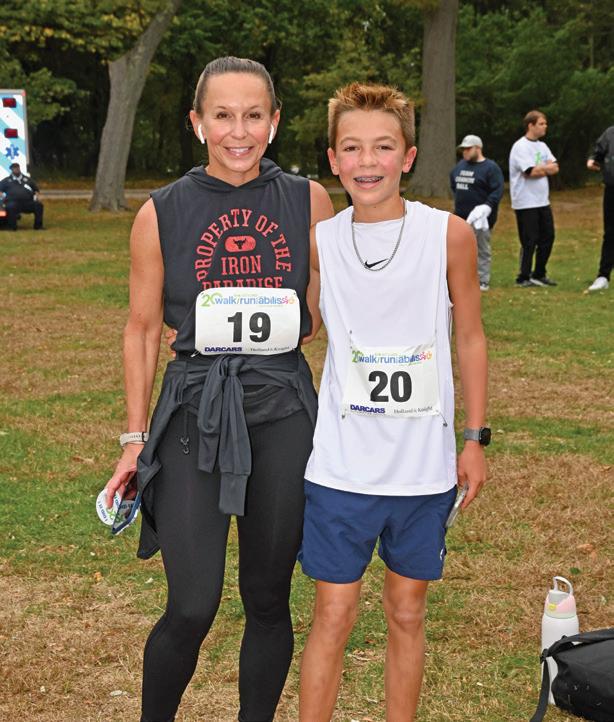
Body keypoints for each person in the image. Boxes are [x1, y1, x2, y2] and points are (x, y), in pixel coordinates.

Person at [104, 56, 333, 722]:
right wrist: (133, 439)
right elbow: (142, 328)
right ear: (197, 122)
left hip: (283, 408)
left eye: (254, 115)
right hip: (194, 408)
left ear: (275, 121)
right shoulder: (161, 212)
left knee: (268, 597)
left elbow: (321, 313)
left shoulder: (308, 200)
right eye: (223, 115)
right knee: (191, 603)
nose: (239, 132)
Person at [298, 82, 488, 722]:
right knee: (333, 613)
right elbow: (304, 323)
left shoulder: (448, 235)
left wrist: (475, 438)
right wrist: (210, 319)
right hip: (342, 468)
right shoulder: (321, 241)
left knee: (407, 611)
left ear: (407, 156)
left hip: (422, 469)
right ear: (334, 160)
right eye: (352, 148)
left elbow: (471, 337)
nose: (367, 161)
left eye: (383, 146)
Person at [509, 110, 559, 287]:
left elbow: (555, 167)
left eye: (545, 124)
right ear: (530, 125)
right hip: (525, 202)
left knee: (548, 237)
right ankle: (523, 276)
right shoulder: (520, 147)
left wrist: (542, 168)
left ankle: (539, 273)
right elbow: (529, 172)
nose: (545, 127)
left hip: (542, 201)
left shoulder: (542, 146)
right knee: (529, 240)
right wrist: (545, 168)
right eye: (541, 124)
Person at [450, 134, 504, 291]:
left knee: (481, 249)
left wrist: (487, 206)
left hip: (481, 218)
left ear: (478, 148)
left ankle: (482, 280)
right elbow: (453, 184)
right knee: (459, 249)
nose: (465, 152)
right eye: (463, 149)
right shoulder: (460, 166)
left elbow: (497, 190)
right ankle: (461, 279)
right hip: (460, 217)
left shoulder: (490, 168)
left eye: (468, 149)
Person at [586, 125, 614, 291]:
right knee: (610, 233)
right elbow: (598, 152)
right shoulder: (610, 133)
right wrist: (593, 160)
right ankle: (603, 276)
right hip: (611, 189)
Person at [0, 162, 44, 230]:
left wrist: (38, 197)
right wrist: (3, 198)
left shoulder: (27, 179)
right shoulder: (6, 181)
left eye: (17, 168)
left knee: (38, 205)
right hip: (13, 202)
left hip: (27, 202)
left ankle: (38, 226)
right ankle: (12, 227)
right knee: (11, 207)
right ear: (11, 170)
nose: (16, 169)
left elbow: (36, 190)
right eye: (14, 168)